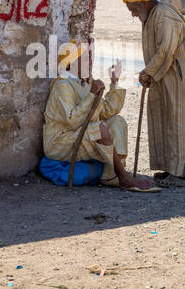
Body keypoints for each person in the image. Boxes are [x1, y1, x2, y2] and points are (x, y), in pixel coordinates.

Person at [123, 0, 185, 187]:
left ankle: (181, 173)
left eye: (134, 9)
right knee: (166, 120)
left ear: (144, 3)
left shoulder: (164, 15)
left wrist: (148, 72)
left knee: (178, 122)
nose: (132, 15)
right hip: (167, 75)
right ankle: (170, 168)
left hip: (179, 77)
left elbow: (166, 50)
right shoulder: (152, 14)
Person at [43, 39, 161, 192]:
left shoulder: (83, 84)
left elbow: (106, 111)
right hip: (60, 141)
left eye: (89, 58)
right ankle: (124, 178)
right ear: (70, 64)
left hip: (78, 135)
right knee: (99, 129)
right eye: (84, 59)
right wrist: (92, 94)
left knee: (116, 121)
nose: (89, 62)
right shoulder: (62, 85)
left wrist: (115, 83)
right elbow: (72, 121)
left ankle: (110, 175)